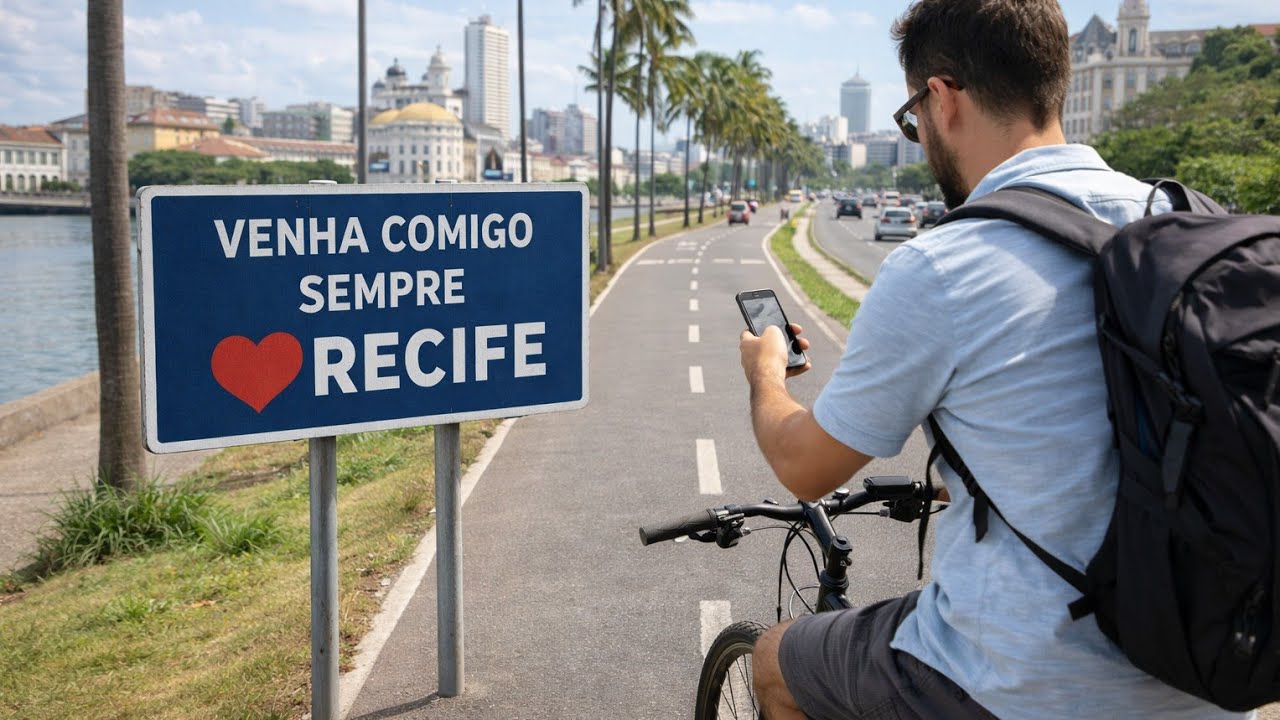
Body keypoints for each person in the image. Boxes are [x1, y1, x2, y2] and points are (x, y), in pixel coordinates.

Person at [736, 1, 1252, 718]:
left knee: (773, 662)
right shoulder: (1186, 223)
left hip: (1015, 685)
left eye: (912, 120)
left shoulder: (944, 265)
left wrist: (765, 371)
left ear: (942, 99)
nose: (919, 138)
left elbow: (804, 467)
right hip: (1216, 677)